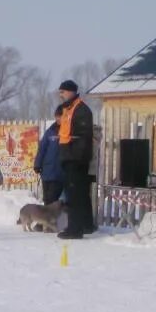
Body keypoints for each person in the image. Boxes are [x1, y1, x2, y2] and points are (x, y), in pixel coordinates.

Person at [56, 80, 94, 238]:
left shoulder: (81, 109)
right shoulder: (68, 109)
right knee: (81, 193)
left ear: (72, 91)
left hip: (76, 159)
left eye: (63, 91)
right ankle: (86, 225)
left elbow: (83, 137)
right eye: (60, 92)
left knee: (74, 195)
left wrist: (75, 158)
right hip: (69, 157)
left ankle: (74, 229)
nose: (61, 95)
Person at [33, 105, 64, 204]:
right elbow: (42, 149)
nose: (58, 118)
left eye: (61, 116)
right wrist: (37, 164)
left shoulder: (67, 132)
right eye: (57, 116)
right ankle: (45, 218)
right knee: (47, 199)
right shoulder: (50, 132)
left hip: (60, 173)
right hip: (46, 171)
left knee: (53, 199)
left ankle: (49, 218)